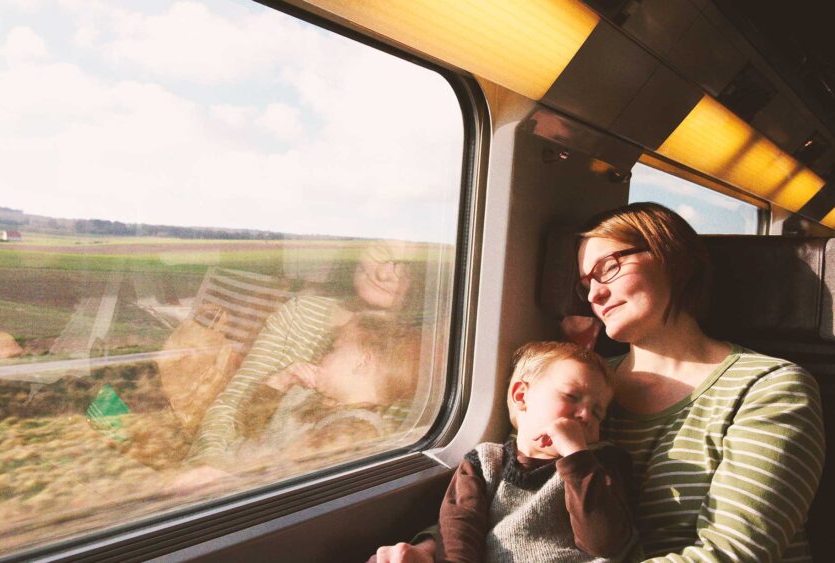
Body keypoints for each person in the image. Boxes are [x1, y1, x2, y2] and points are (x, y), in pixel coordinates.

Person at [369, 202, 824, 562]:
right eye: (587, 281)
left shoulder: (770, 388)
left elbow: (736, 554)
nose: (594, 294)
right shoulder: (581, 383)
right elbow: (514, 493)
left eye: (609, 268)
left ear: (673, 258)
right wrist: (432, 549)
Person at [185, 239, 424, 470]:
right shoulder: (301, 313)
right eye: (382, 251)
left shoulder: (418, 357)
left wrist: (227, 484)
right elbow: (231, 407)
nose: (385, 274)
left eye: (408, 266)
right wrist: (207, 467)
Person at [437, 341, 635, 562]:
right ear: (521, 396)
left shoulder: (599, 463)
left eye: (598, 413)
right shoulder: (485, 463)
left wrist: (576, 455)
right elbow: (459, 532)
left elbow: (604, 542)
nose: (586, 416)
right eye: (572, 397)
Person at [232, 313, 421, 462]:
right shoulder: (308, 395)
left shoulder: (354, 431)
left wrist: (225, 478)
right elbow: (250, 430)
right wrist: (279, 382)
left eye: (333, 349)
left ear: (362, 364)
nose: (322, 357)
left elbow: (280, 475)